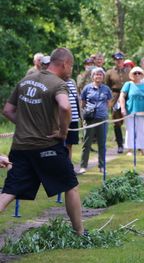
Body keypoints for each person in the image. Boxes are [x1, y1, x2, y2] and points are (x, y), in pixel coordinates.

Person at [1, 48, 84, 235]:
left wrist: (24, 124)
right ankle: (80, 233)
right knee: (70, 186)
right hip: (48, 147)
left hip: (20, 148)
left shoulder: (25, 81)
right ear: (64, 64)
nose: (70, 70)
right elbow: (65, 106)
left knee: (9, 192)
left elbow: (7, 110)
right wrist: (62, 133)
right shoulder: (58, 84)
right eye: (71, 66)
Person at [79, 67, 113, 174]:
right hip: (89, 119)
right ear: (92, 76)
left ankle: (102, 166)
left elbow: (109, 103)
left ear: (103, 77)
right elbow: (83, 103)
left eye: (100, 74)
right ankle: (83, 166)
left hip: (102, 119)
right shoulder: (87, 88)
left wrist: (103, 111)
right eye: (96, 74)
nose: (98, 76)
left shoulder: (106, 89)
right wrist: (87, 112)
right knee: (86, 143)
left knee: (102, 143)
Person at [119, 66, 144, 156]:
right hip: (130, 111)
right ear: (132, 75)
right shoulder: (128, 84)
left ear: (142, 75)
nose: (137, 75)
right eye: (135, 73)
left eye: (139, 73)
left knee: (141, 130)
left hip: (143, 112)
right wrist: (123, 108)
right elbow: (122, 96)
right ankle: (130, 149)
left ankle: (142, 149)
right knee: (130, 130)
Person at [105, 52, 130, 153]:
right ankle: (120, 145)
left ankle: (132, 144)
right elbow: (107, 87)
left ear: (123, 60)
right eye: (117, 60)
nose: (119, 61)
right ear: (114, 61)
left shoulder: (129, 71)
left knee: (130, 120)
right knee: (117, 122)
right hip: (115, 97)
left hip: (128, 97)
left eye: (121, 60)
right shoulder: (110, 72)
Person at [65, 77, 81, 160]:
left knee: (70, 144)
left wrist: (80, 115)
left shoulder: (72, 81)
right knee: (61, 144)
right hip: (62, 119)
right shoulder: (56, 81)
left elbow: (76, 98)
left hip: (74, 118)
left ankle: (69, 166)